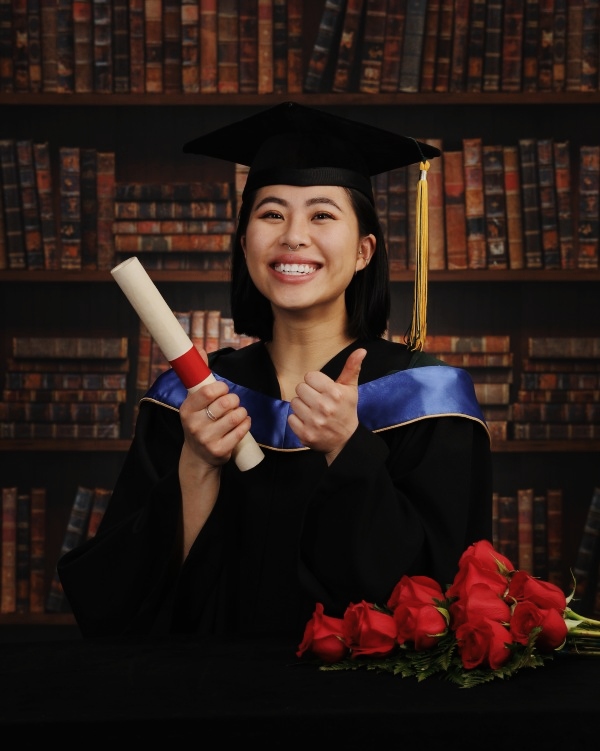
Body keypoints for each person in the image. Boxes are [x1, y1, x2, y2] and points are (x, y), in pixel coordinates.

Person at [58, 102, 493, 640]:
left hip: (365, 709)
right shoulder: (191, 400)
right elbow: (119, 600)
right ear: (245, 245)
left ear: (363, 252)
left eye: (321, 214)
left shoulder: (427, 400)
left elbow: (441, 598)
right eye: (270, 213)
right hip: (209, 700)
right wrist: (196, 466)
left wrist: (348, 451)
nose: (292, 236)